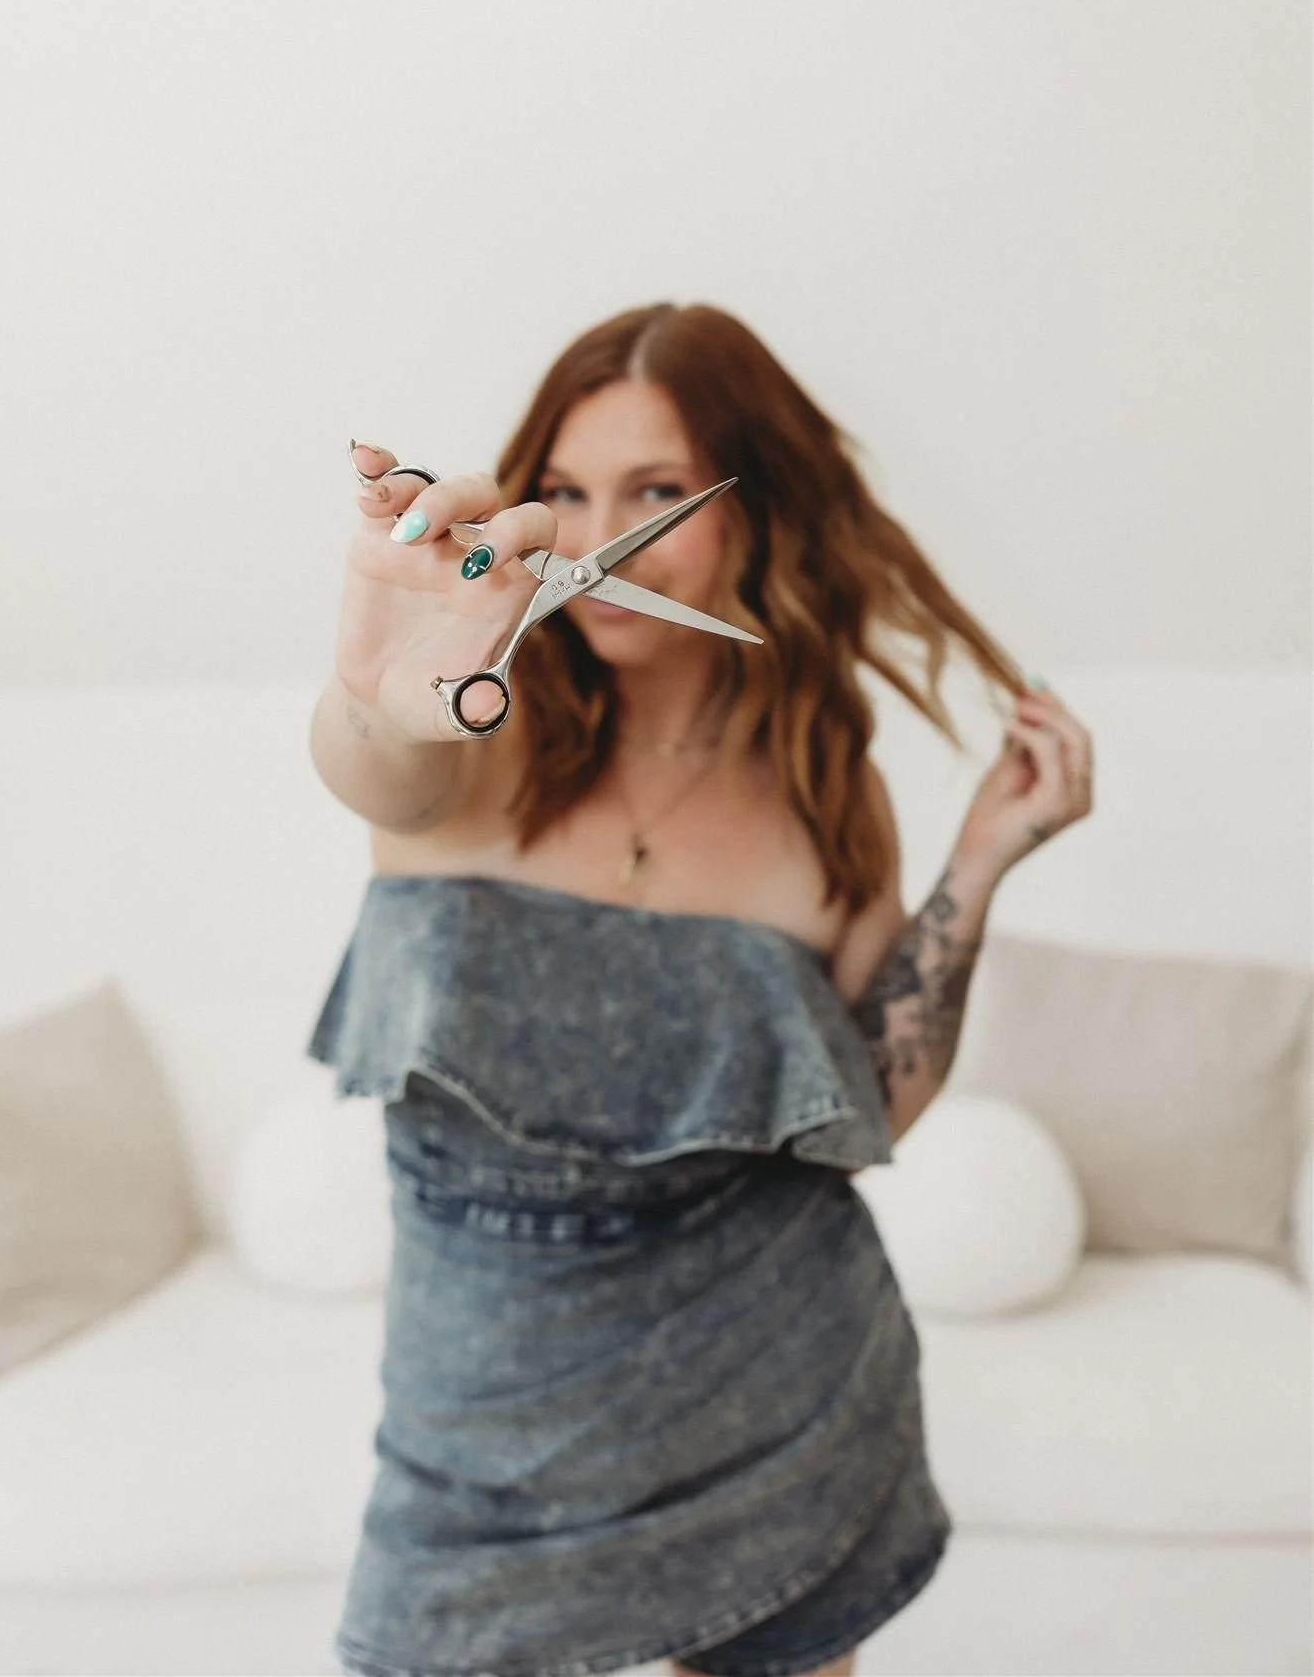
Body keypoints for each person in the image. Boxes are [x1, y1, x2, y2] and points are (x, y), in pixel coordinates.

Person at [306, 300, 1094, 1677]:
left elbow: (873, 1102)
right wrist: (377, 695)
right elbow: (380, 763)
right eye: (566, 490)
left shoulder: (822, 787)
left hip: (769, 1385)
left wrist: (981, 862)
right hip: (475, 1434)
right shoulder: (473, 721)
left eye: (656, 489)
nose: (605, 530)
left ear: (748, 508)